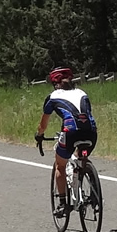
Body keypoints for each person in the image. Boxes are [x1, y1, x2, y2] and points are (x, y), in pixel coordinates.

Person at [34, 66, 96, 204]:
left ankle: (62, 203)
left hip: (71, 132)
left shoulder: (53, 97)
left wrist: (39, 135)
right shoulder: (82, 93)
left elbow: (43, 124)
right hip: (91, 131)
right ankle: (92, 190)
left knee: (60, 165)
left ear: (54, 84)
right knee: (81, 157)